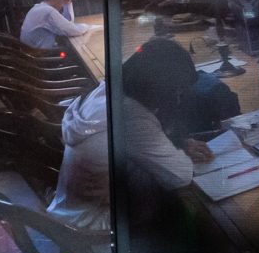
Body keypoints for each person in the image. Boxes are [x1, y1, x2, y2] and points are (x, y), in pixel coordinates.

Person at [48, 38, 204, 233]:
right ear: (161, 86)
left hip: (70, 209)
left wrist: (178, 144)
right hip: (96, 224)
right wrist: (180, 154)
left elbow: (136, 145)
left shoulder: (106, 90)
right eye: (177, 90)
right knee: (189, 207)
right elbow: (181, 176)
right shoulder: (132, 116)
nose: (178, 97)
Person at [19, 0, 93, 52]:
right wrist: (87, 26)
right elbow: (73, 30)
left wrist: (68, 4)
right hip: (43, 58)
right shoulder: (48, 11)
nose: (62, 4)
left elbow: (67, 23)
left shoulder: (38, 7)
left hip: (32, 55)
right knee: (80, 51)